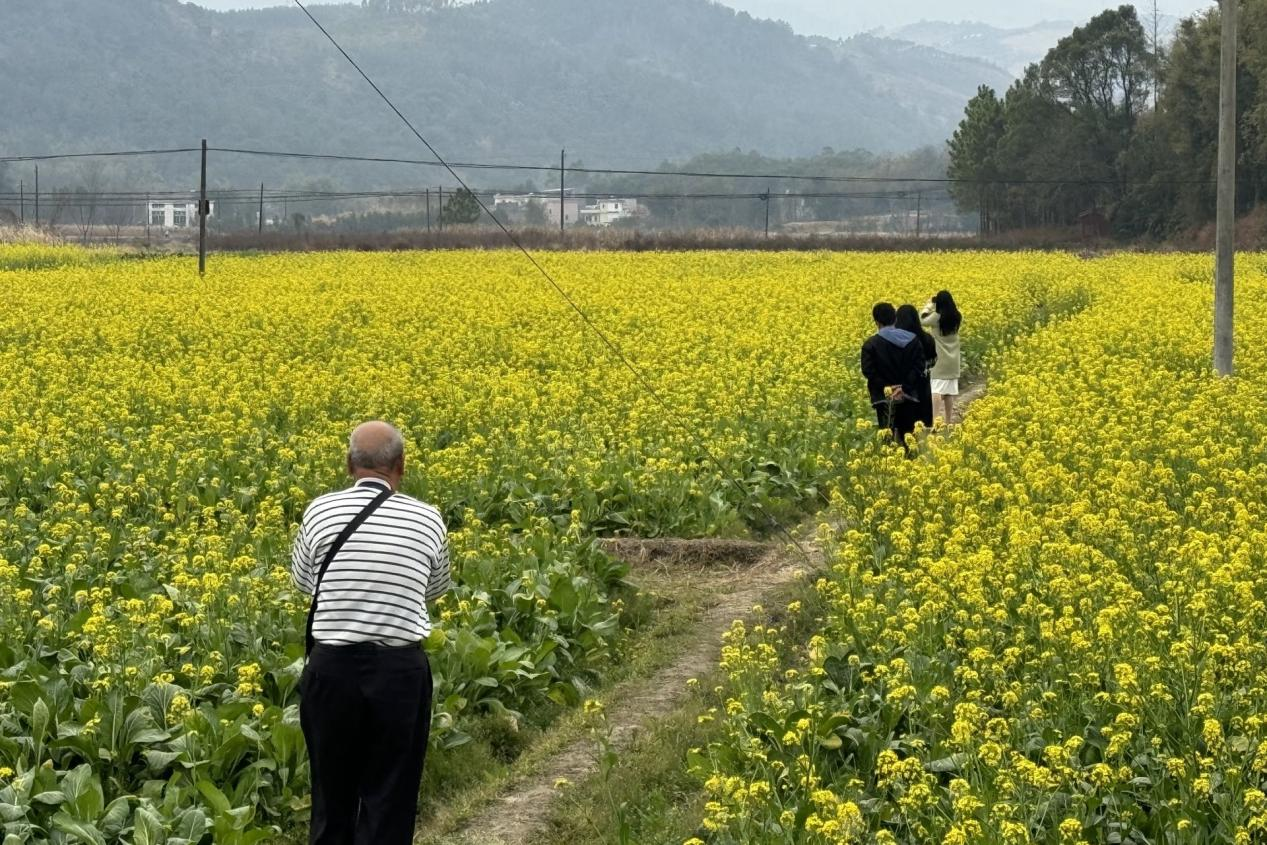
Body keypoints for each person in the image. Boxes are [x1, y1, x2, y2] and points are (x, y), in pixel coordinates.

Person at [291, 421, 451, 845]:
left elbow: (306, 582)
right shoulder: (428, 518)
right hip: (399, 674)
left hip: (332, 672)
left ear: (349, 465)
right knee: (390, 798)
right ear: (401, 466)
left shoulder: (318, 511)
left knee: (330, 797)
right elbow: (434, 587)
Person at [860, 302, 927, 446]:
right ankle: (913, 464)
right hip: (908, 396)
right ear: (895, 319)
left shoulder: (870, 345)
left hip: (882, 398)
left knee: (887, 438)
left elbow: (869, 371)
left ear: (876, 322)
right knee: (909, 437)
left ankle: (888, 467)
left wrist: (888, 388)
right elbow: (919, 367)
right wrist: (903, 387)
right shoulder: (913, 340)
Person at [921, 290, 962, 424]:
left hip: (940, 357)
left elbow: (922, 320)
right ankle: (949, 421)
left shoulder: (936, 317)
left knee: (936, 390)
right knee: (949, 391)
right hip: (953, 358)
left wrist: (929, 306)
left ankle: (935, 421)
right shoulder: (957, 316)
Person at [895, 304, 936, 430]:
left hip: (900, 384)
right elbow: (933, 361)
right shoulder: (927, 338)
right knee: (922, 417)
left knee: (904, 421)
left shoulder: (895, 340)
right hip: (922, 382)